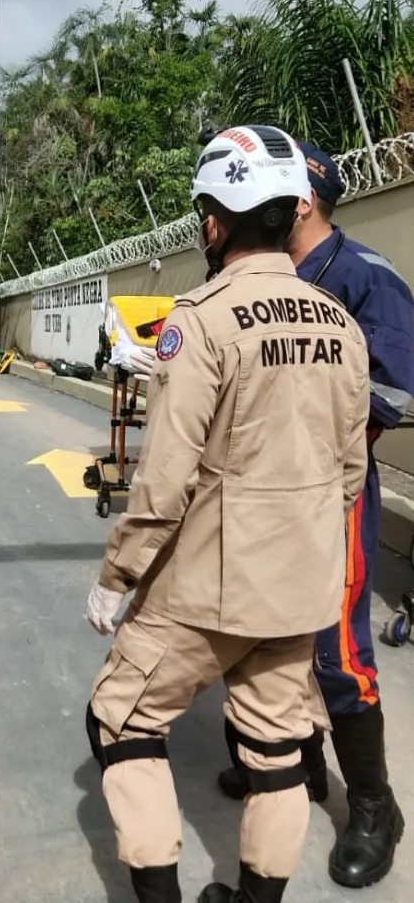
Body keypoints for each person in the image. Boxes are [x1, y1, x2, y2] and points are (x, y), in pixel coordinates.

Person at [85, 125, 370, 903]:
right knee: (277, 751)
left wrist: (118, 576)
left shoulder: (201, 319)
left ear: (215, 221)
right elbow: (350, 472)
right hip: (299, 585)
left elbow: (165, 478)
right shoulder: (339, 325)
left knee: (121, 722)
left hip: (206, 588)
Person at [215, 140, 414, 888]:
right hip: (256, 494)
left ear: (300, 199)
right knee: (265, 631)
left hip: (332, 494)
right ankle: (288, 759)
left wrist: (304, 427)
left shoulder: (366, 277)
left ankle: (374, 802)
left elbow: (394, 391)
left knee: (336, 647)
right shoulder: (256, 274)